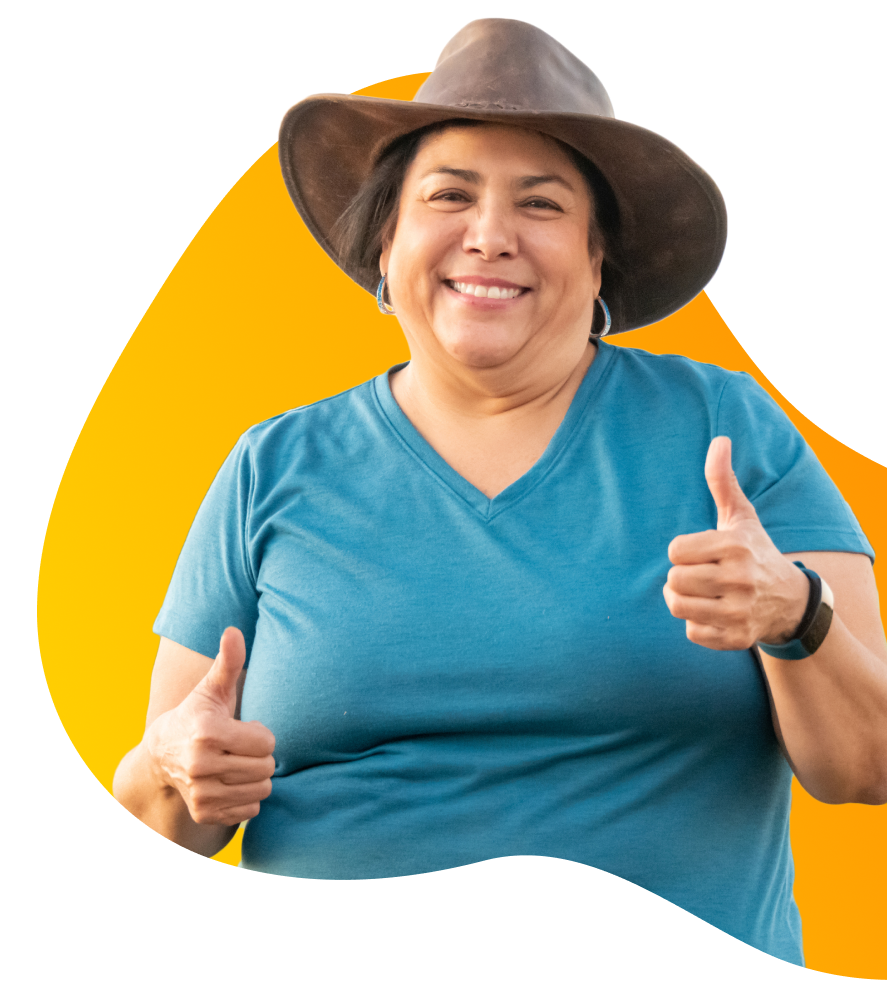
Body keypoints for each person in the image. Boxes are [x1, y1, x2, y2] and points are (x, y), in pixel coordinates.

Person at [113, 18, 886, 963]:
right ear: (385, 246)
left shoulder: (724, 427)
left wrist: (793, 614)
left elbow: (866, 768)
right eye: (448, 195)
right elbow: (166, 810)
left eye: (542, 205)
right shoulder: (274, 466)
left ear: (598, 255)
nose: (489, 237)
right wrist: (170, 772)